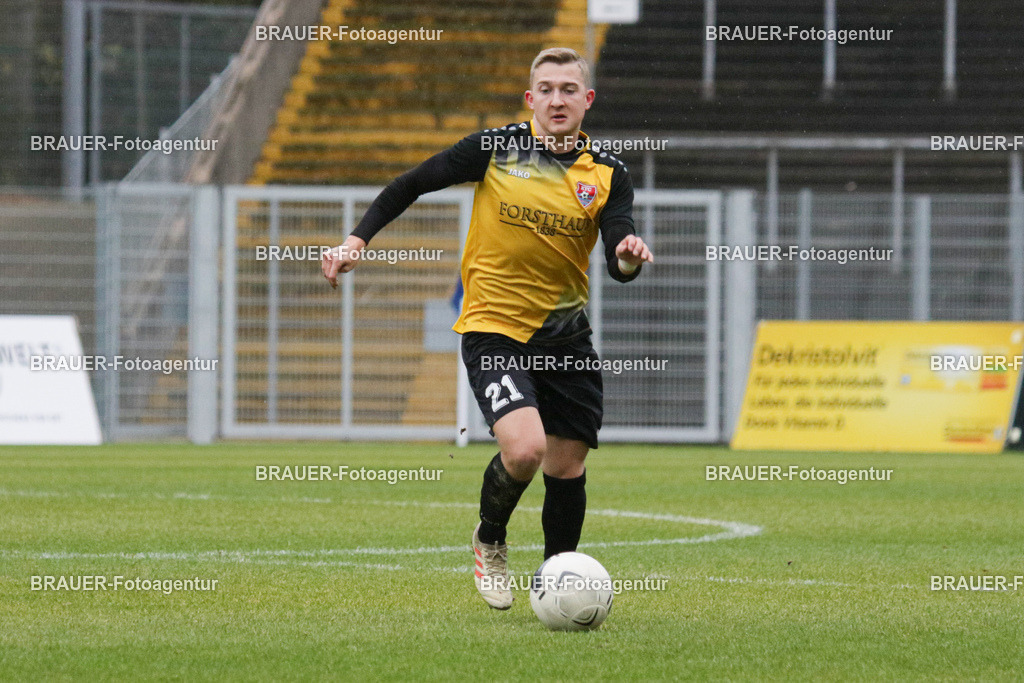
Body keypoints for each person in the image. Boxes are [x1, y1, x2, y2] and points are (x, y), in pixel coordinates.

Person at [322, 47, 653, 610]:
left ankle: (557, 584)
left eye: (568, 89)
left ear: (587, 100)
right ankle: (490, 539)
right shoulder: (496, 149)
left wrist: (627, 255)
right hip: (494, 328)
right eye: (545, 89)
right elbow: (411, 182)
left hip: (566, 337)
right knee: (525, 450)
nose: (556, 99)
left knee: (566, 465)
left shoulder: (608, 173)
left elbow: (617, 260)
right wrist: (357, 240)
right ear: (530, 99)